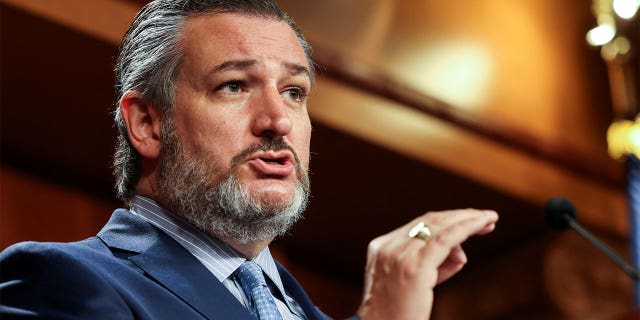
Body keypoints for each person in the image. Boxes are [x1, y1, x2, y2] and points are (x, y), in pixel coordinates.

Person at [0, 0, 498, 319]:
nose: (277, 121)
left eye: (294, 91)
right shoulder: (61, 283)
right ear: (148, 124)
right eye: (233, 86)